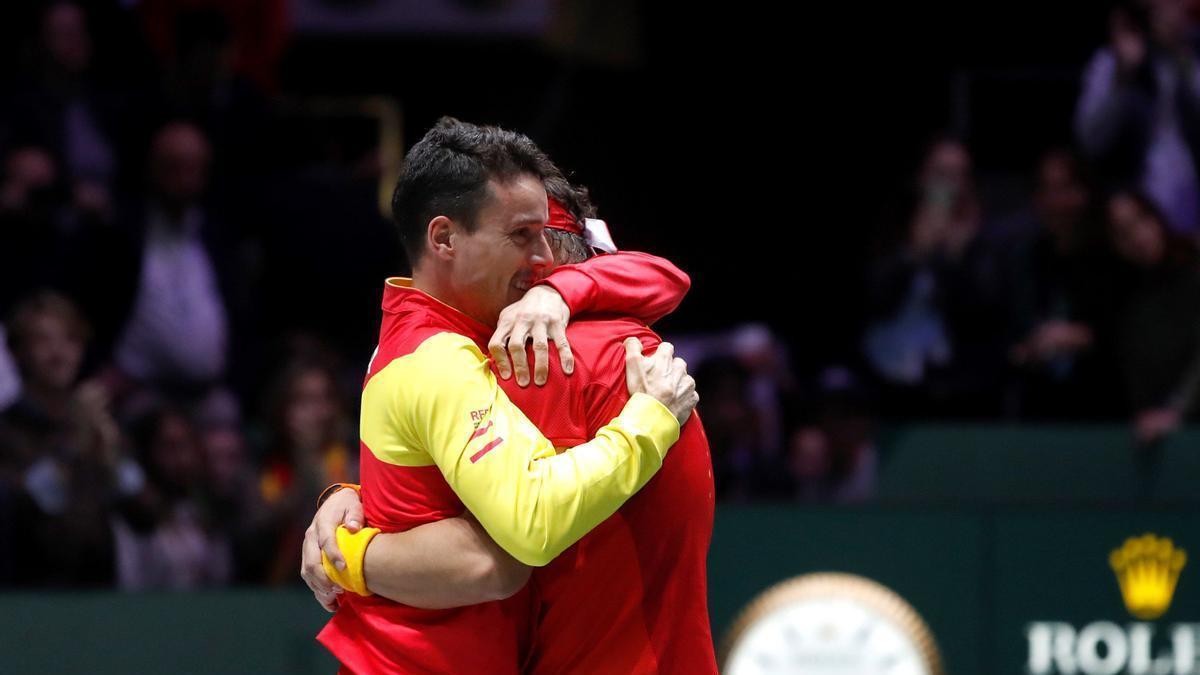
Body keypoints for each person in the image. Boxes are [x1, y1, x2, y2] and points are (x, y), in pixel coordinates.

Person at [305, 118, 698, 673]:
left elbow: (664, 278)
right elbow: (524, 534)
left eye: (546, 237)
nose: (542, 260)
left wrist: (347, 502)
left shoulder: (431, 337)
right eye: (520, 236)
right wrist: (651, 417)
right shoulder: (442, 360)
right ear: (443, 238)